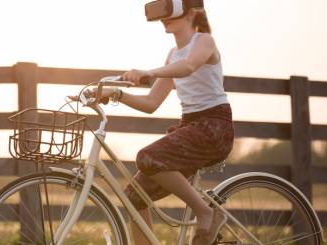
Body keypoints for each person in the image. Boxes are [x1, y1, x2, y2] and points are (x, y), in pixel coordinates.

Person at [85, 0, 234, 244]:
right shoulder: (172, 56)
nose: (164, 19)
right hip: (190, 128)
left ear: (191, 14)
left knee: (147, 157)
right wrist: (115, 93)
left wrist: (151, 72)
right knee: (134, 196)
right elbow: (152, 103)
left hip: (214, 128)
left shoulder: (204, 41)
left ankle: (206, 212)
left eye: (171, 13)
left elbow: (188, 66)